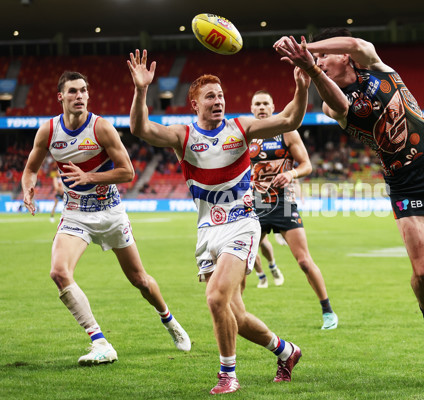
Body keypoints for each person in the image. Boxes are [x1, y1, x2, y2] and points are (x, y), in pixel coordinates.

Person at [274, 28, 424, 367]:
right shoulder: (331, 103)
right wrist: (312, 69)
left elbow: (357, 44)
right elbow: (340, 105)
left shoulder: (377, 66)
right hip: (403, 180)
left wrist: (306, 48)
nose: (319, 62)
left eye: (323, 56)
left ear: (342, 55)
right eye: (316, 60)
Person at [128, 49, 307, 394]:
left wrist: (301, 88)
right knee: (235, 317)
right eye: (210, 96)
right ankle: (286, 351)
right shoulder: (184, 136)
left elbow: (289, 121)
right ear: (194, 104)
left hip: (242, 224)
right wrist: (140, 90)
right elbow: (140, 128)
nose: (219, 100)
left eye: (221, 95)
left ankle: (228, 375)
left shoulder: (242, 128)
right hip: (207, 230)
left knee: (214, 299)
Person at [21, 71, 191, 366]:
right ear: (60, 96)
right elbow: (30, 169)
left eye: (84, 90)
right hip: (75, 212)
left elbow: (128, 172)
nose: (80, 96)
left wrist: (90, 175)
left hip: (110, 211)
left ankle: (168, 319)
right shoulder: (48, 131)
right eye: (73, 91)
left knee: (140, 280)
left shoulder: (101, 128)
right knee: (59, 272)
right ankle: (100, 341)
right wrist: (28, 188)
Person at [249, 90, 338, 330]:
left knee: (304, 262)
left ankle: (328, 311)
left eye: (265, 103)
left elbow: (307, 165)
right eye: (257, 104)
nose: (261, 107)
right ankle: (234, 313)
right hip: (255, 204)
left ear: (272, 106)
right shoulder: (245, 135)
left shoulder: (286, 132)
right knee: (240, 262)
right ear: (251, 108)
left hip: (284, 204)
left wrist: (291, 173)